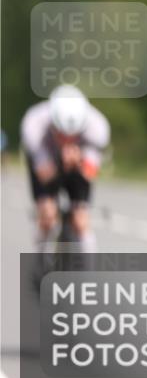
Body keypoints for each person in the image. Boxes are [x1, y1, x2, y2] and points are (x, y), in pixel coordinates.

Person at [20, 84, 110, 254]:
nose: (68, 140)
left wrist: (78, 164)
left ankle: (91, 271)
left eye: (74, 136)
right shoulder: (34, 125)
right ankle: (39, 259)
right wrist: (61, 163)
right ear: (53, 126)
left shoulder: (97, 128)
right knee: (47, 213)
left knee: (81, 220)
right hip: (48, 161)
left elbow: (89, 174)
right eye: (61, 135)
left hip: (78, 163)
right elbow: (45, 175)